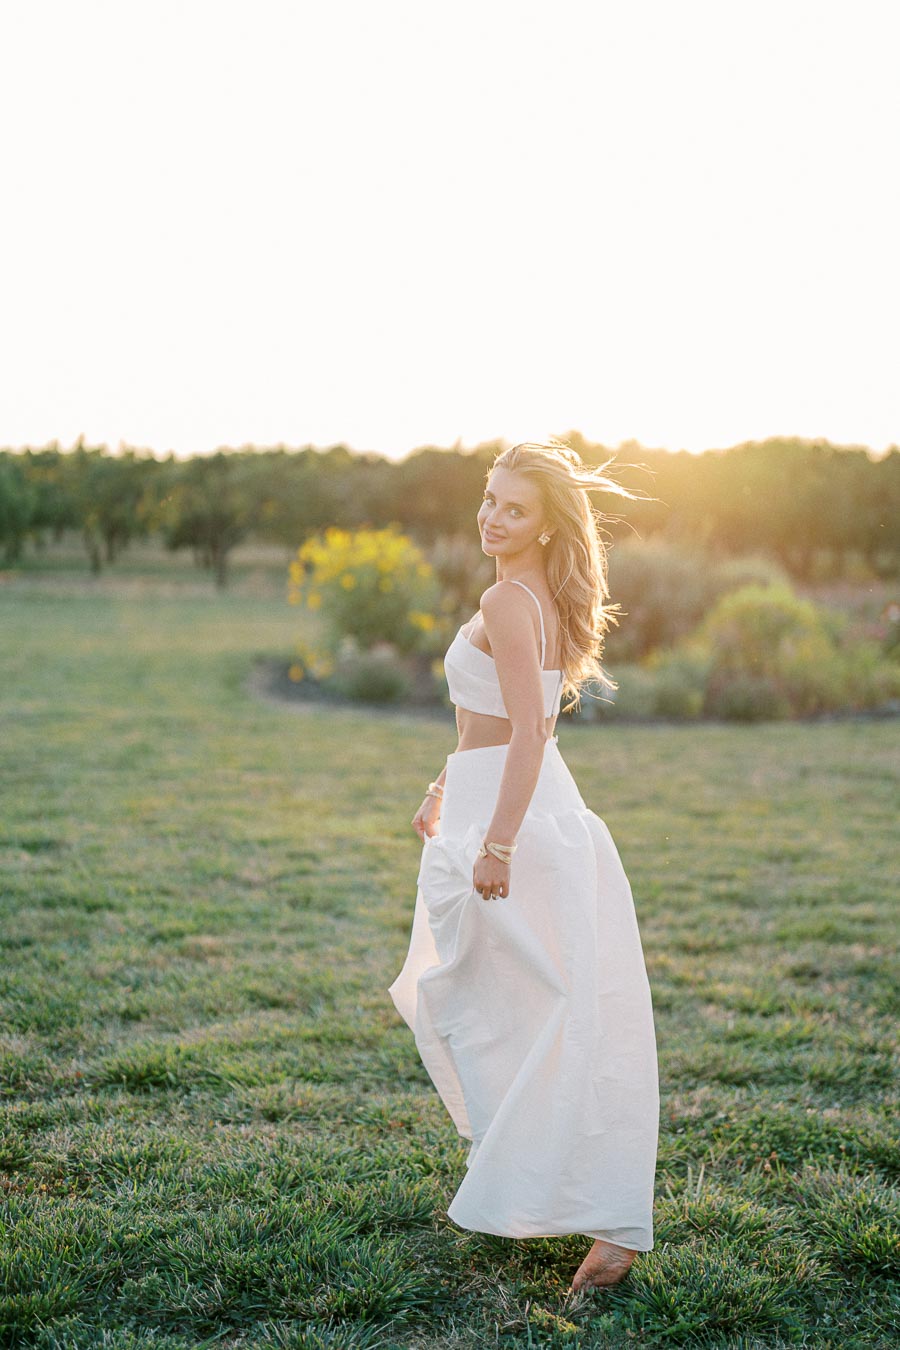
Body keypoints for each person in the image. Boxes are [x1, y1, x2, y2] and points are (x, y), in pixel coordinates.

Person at [388, 440, 659, 1294]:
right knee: (506, 1002)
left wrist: (497, 842)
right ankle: (542, 1179)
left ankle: (608, 1225)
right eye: (490, 498)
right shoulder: (536, 593)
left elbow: (532, 732)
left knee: (504, 1003)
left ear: (547, 525)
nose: (493, 517)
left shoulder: (509, 598)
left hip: (516, 818)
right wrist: (445, 785)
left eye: (515, 508)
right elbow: (499, 718)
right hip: (499, 802)